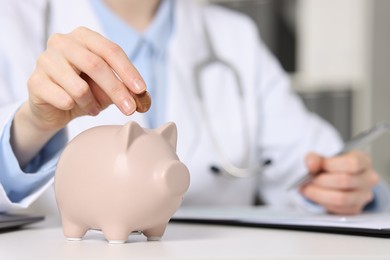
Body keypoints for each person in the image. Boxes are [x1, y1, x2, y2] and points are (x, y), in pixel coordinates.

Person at [0, 0, 387, 218]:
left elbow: (309, 165)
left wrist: (341, 187)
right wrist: (34, 123)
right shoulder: (12, 22)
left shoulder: (235, 37)